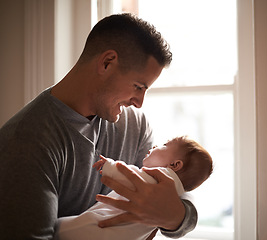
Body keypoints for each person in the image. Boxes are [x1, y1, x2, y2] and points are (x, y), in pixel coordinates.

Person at [0, 13, 198, 239]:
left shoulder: (135, 125)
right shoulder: (27, 142)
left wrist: (176, 217)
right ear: (107, 63)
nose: (139, 103)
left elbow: (178, 186)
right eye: (138, 87)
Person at [55, 136, 213, 240]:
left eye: (164, 145)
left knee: (63, 229)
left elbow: (130, 174)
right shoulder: (173, 190)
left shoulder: (159, 178)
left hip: (104, 227)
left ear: (174, 165)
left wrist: (110, 166)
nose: (157, 145)